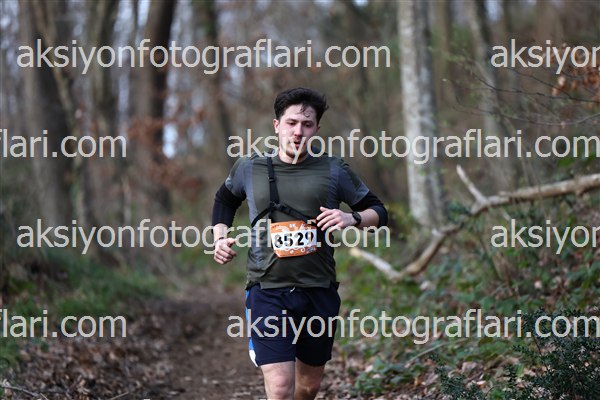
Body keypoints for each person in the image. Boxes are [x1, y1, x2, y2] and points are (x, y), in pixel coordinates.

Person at [211, 87, 387, 400]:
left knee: (308, 386)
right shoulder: (250, 167)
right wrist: (220, 237)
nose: (298, 131)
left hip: (318, 289)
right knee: (281, 386)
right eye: (291, 123)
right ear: (277, 125)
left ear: (317, 129)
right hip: (267, 289)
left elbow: (379, 212)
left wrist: (351, 218)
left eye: (307, 124)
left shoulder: (334, 170)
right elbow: (224, 199)